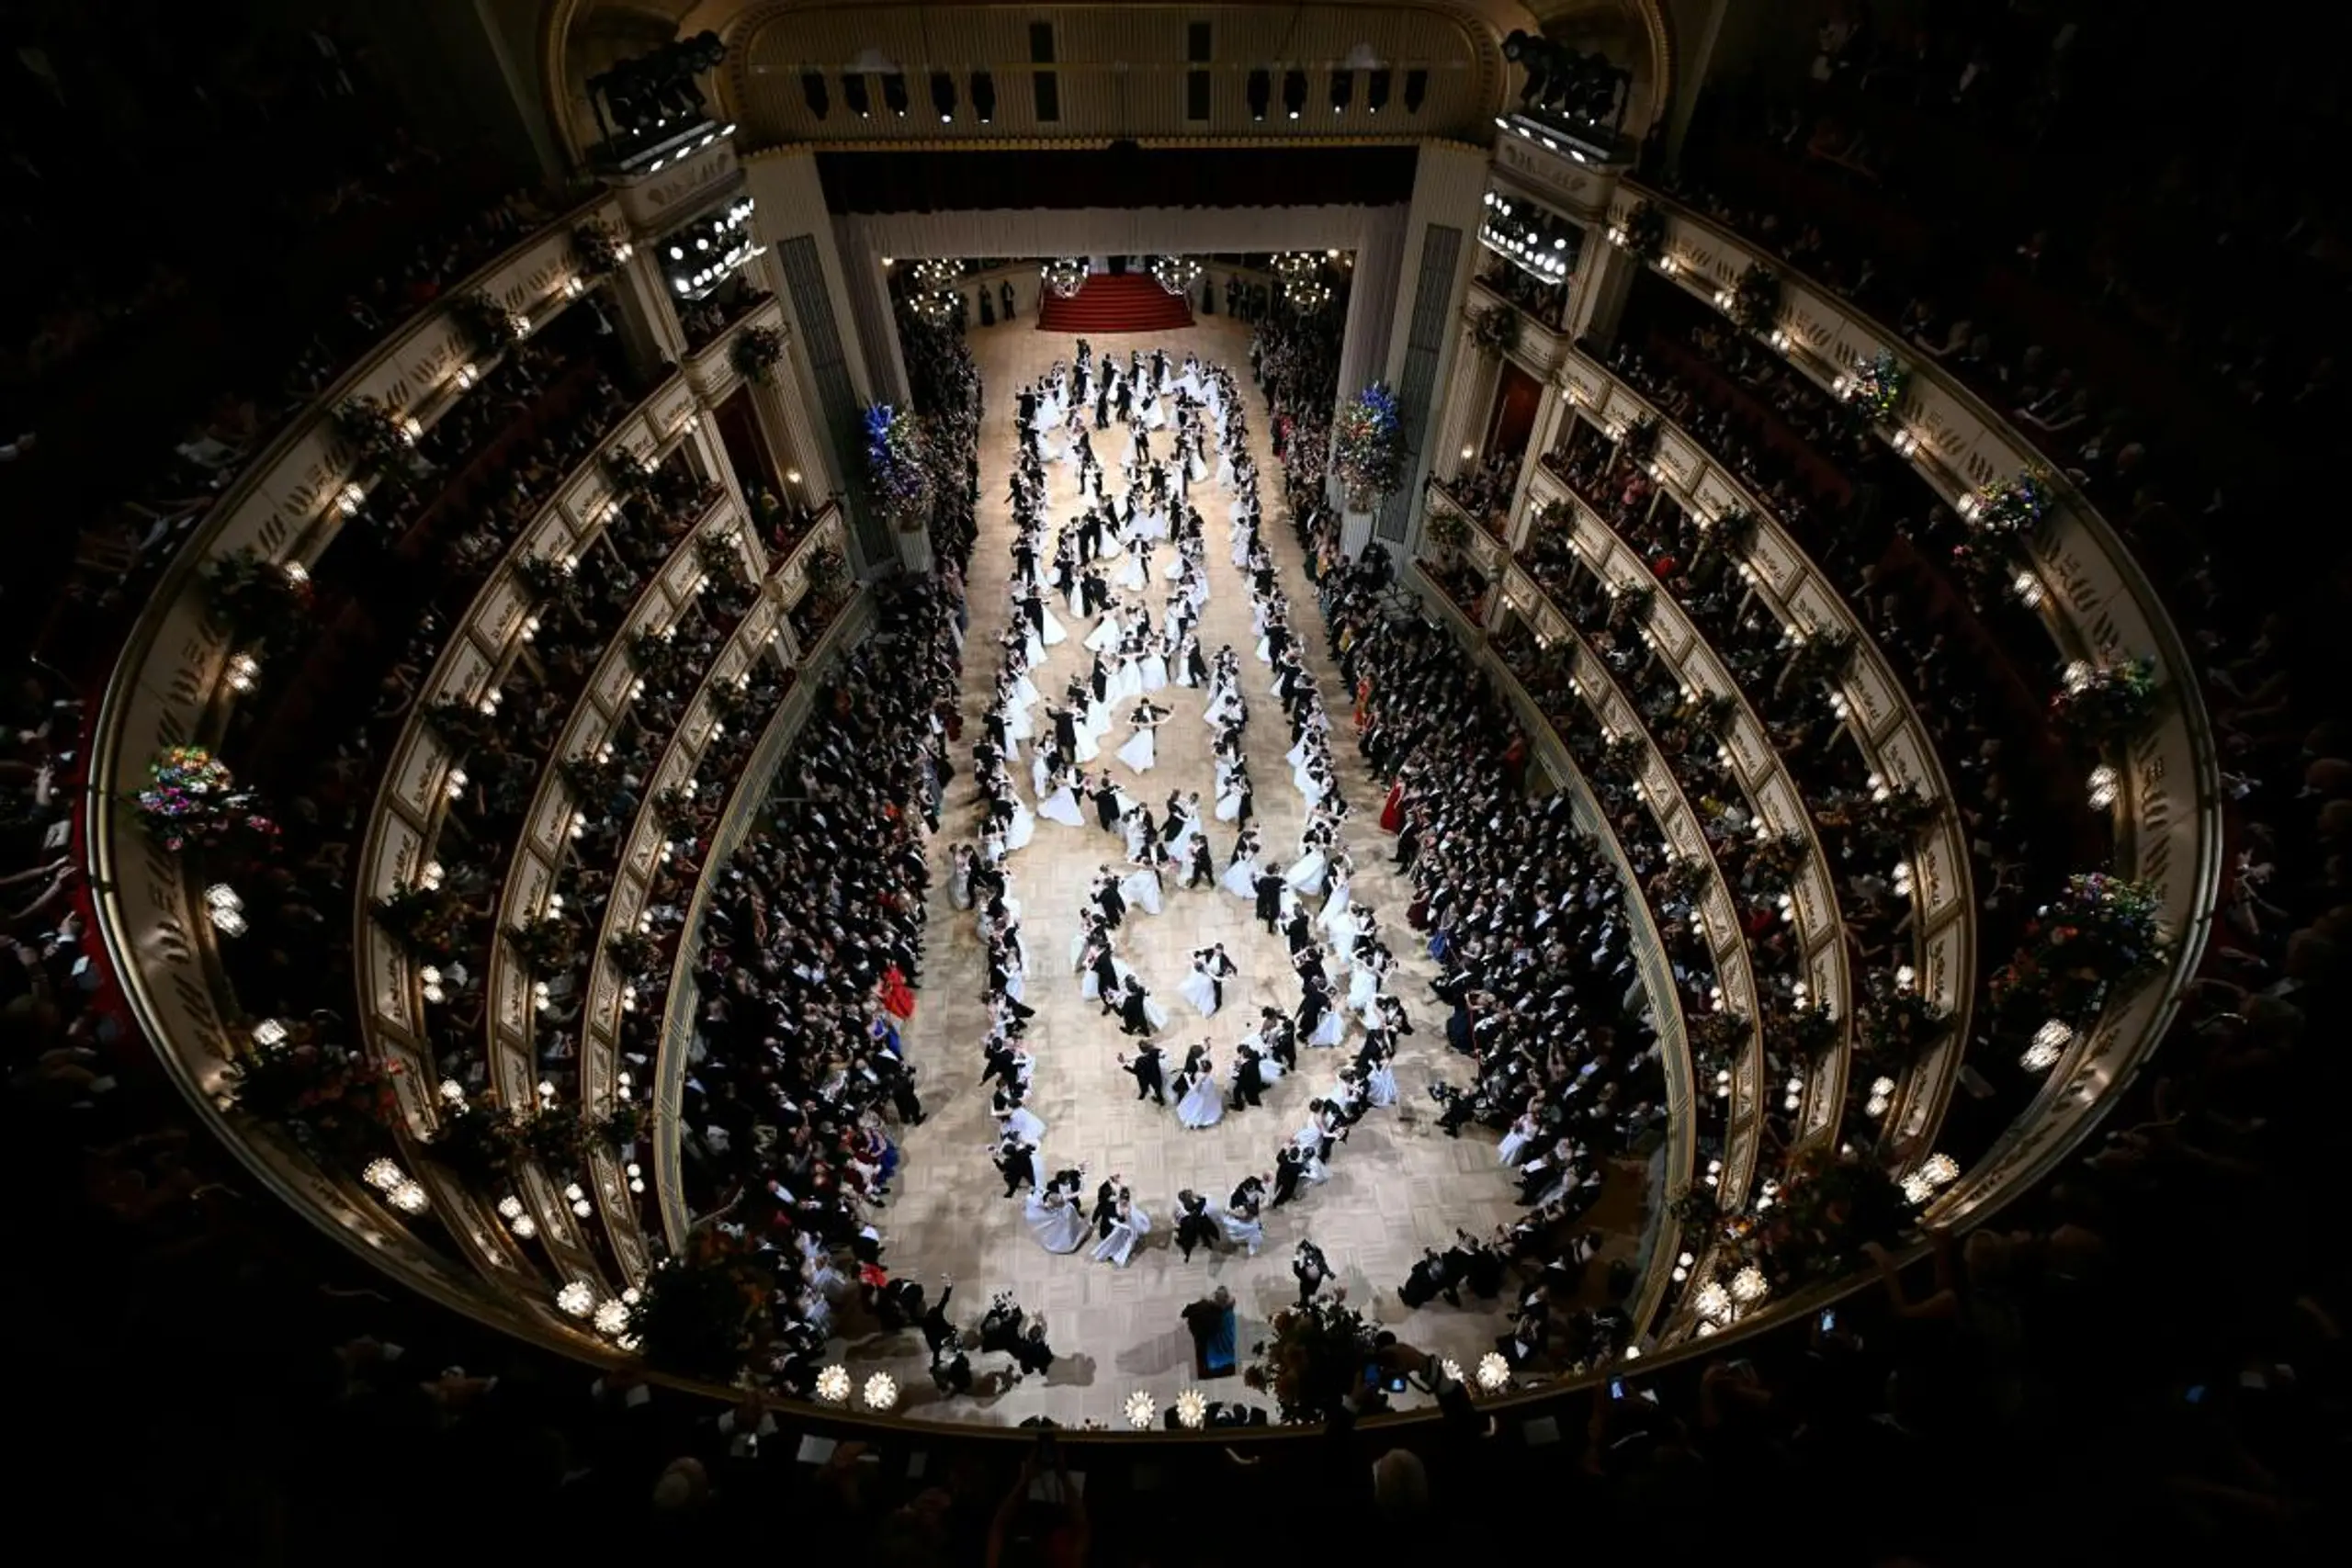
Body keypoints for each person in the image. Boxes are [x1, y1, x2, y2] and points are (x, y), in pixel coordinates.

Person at [1294, 1238, 1332, 1305]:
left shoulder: (1306, 1274)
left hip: (1307, 1295)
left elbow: (1296, 1269)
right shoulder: (1320, 1268)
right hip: (1309, 1293)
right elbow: (1320, 1257)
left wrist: (1297, 1254)